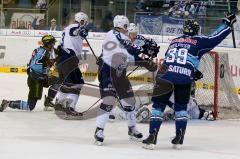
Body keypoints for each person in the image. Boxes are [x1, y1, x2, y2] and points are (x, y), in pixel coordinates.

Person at [142, 13, 237, 150]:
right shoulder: (199, 41)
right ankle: (179, 138)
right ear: (196, 30)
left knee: (158, 107)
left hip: (165, 76)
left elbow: (171, 57)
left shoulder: (174, 40)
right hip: (184, 78)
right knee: (181, 108)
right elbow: (215, 37)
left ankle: (152, 137)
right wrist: (227, 24)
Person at [94, 15, 159, 145]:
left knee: (130, 103)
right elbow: (130, 47)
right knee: (108, 102)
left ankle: (132, 128)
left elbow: (128, 57)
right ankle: (99, 131)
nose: (128, 29)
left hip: (119, 74)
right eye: (127, 26)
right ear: (123, 26)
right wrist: (145, 51)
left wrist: (145, 62)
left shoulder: (120, 38)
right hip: (108, 73)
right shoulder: (113, 34)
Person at [0, 35, 56, 112]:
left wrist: (48, 67)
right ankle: (7, 103)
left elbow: (33, 64)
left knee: (56, 81)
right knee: (30, 106)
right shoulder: (45, 53)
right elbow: (37, 65)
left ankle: (48, 101)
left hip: (33, 78)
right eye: (52, 43)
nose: (53, 45)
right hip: (36, 80)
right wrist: (46, 72)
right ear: (48, 43)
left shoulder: (38, 50)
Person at [54, 12, 89, 115]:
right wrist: (81, 30)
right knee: (78, 84)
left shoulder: (66, 29)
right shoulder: (74, 27)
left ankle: (58, 104)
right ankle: (69, 107)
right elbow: (75, 31)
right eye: (85, 22)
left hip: (61, 59)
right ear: (82, 21)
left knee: (67, 84)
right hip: (69, 59)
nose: (85, 24)